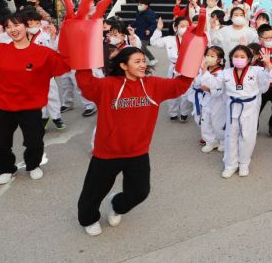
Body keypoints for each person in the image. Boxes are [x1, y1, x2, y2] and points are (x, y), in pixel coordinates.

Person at [75, 47, 194, 235]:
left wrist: (192, 62)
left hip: (137, 151)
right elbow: (85, 82)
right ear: (123, 65)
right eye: (137, 61)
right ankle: (88, 219)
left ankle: (117, 205)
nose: (143, 65)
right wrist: (82, 51)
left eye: (143, 61)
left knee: (140, 192)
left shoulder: (153, 85)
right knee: (93, 193)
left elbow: (179, 85)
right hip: (107, 152)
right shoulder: (106, 85)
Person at [0, 11, 70, 185]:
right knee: (0, 142)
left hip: (30, 107)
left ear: (26, 26)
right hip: (3, 106)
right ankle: (6, 169)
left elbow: (65, 64)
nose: (13, 30)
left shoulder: (43, 53)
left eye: (16, 25)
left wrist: (60, 38)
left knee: (34, 141)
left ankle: (33, 165)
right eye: (8, 27)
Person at [219, 45, 272, 178]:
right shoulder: (226, 72)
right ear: (231, 58)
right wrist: (203, 71)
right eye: (236, 56)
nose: (239, 59)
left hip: (249, 107)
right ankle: (230, 165)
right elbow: (214, 85)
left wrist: (268, 64)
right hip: (233, 106)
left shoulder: (256, 70)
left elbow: (271, 78)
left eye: (242, 57)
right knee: (231, 136)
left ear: (249, 59)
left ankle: (244, 163)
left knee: (247, 136)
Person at [150, 16, 193, 122]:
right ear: (175, 27)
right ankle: (173, 112)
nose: (185, 28)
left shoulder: (193, 40)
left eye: (187, 26)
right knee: (172, 90)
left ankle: (184, 112)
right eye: (182, 26)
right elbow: (154, 42)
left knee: (186, 91)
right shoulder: (169, 39)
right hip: (173, 68)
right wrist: (158, 29)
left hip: (187, 68)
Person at [193, 46, 226, 153]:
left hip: (218, 102)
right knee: (205, 121)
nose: (208, 58)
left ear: (219, 59)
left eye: (212, 56)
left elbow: (218, 90)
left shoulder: (221, 73)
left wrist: (207, 89)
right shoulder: (203, 68)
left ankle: (223, 141)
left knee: (218, 123)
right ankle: (210, 142)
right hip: (205, 100)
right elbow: (197, 83)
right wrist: (203, 71)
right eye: (207, 55)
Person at [131, 0, 158, 67]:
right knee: (142, 47)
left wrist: (149, 30)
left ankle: (150, 59)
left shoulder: (150, 13)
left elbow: (153, 24)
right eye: (139, 4)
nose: (139, 6)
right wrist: (131, 25)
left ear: (146, 5)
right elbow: (137, 21)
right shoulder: (139, 11)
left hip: (146, 33)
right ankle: (149, 59)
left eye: (141, 5)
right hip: (138, 32)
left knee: (142, 48)